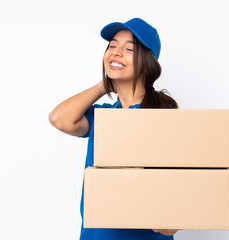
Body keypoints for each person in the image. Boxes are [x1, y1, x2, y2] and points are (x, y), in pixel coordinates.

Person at [49, 17, 180, 240]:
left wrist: (171, 222)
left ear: (147, 64)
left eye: (129, 49)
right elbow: (59, 118)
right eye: (112, 46)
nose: (116, 53)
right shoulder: (103, 116)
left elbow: (177, 196)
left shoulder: (163, 117)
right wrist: (105, 84)